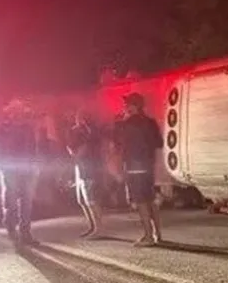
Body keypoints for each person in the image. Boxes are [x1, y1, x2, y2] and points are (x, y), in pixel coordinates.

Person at [0, 99, 41, 245]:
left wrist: (34, 165)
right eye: (15, 110)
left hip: (26, 167)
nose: (17, 113)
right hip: (10, 168)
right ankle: (11, 226)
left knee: (26, 201)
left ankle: (25, 232)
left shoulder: (27, 127)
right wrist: (1, 164)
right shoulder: (1, 128)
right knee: (11, 200)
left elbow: (33, 148)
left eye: (19, 110)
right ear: (10, 112)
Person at [115, 93, 163, 246]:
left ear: (133, 106)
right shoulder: (150, 122)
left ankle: (148, 236)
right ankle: (157, 234)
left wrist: (119, 122)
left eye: (126, 104)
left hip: (134, 165)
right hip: (148, 164)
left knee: (140, 201)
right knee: (150, 199)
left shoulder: (127, 123)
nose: (124, 107)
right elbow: (159, 143)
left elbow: (118, 143)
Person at [67, 110, 106, 235]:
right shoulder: (74, 131)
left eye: (82, 117)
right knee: (82, 200)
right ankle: (92, 226)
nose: (78, 120)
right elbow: (71, 147)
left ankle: (99, 228)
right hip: (80, 167)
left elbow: (90, 146)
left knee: (91, 199)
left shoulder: (91, 131)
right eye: (77, 117)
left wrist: (79, 149)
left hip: (90, 168)